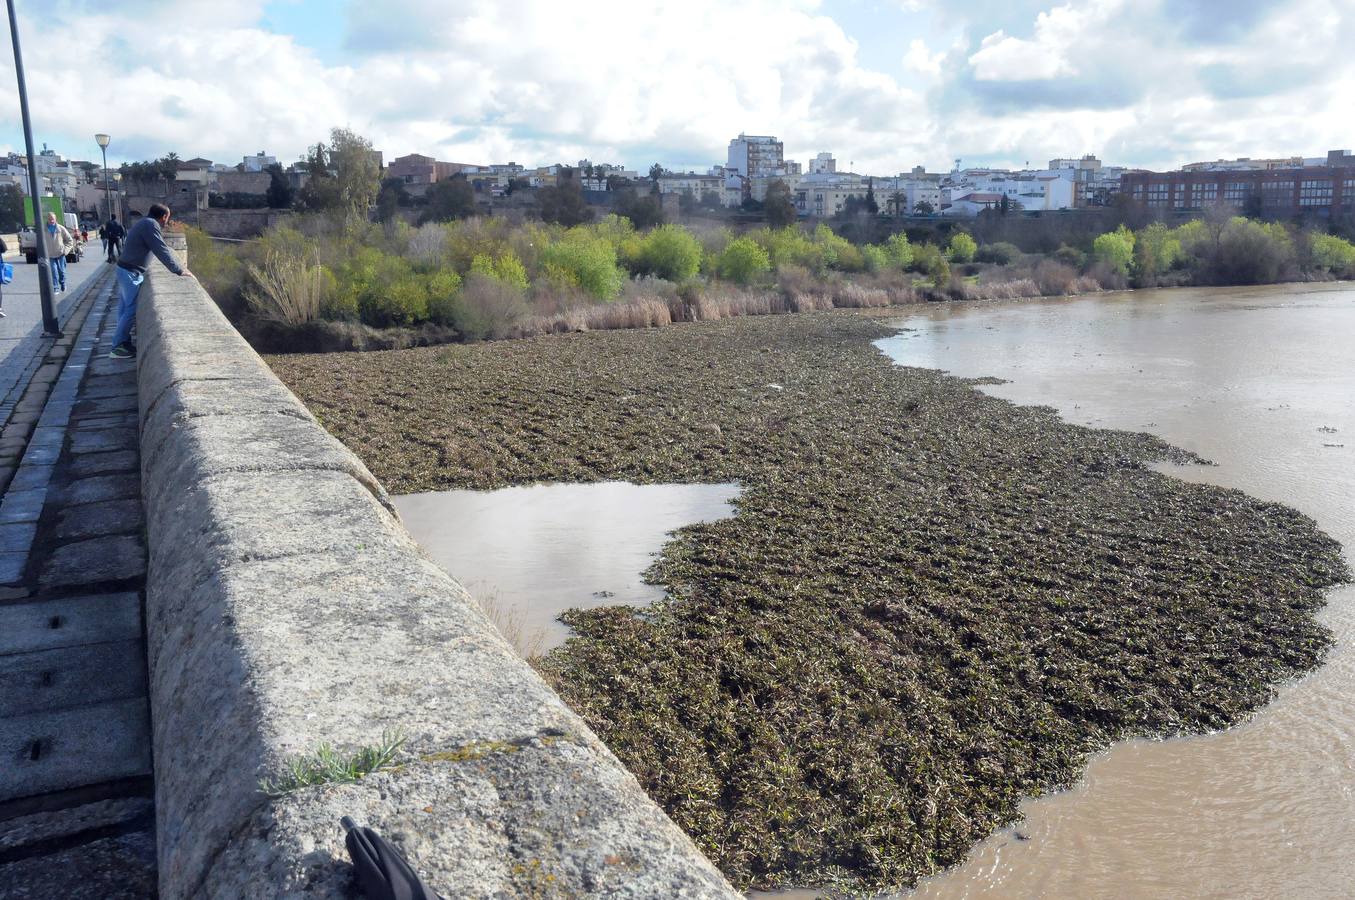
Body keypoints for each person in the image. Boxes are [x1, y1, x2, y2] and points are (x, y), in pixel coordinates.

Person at [110, 202, 192, 359]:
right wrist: (179, 270)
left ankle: (122, 342)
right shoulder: (151, 225)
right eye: (167, 218)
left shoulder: (144, 222)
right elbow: (160, 249)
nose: (167, 222)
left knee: (124, 308)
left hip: (126, 269)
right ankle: (117, 346)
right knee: (131, 309)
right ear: (164, 216)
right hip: (130, 272)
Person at [42, 212, 74, 294]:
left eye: (53, 219)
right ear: (47, 219)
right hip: (50, 255)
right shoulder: (43, 230)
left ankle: (63, 283)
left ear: (55, 219)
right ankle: (55, 287)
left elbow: (70, 240)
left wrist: (65, 251)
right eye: (49, 219)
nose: (51, 220)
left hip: (60, 254)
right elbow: (40, 243)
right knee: (54, 271)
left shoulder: (61, 229)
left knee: (62, 271)